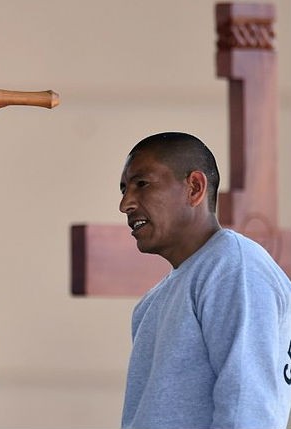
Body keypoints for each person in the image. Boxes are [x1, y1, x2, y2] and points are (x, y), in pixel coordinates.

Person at [118, 132, 291, 428]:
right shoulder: (152, 303)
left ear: (194, 187)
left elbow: (247, 408)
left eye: (141, 184)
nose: (125, 204)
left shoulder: (235, 267)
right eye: (123, 190)